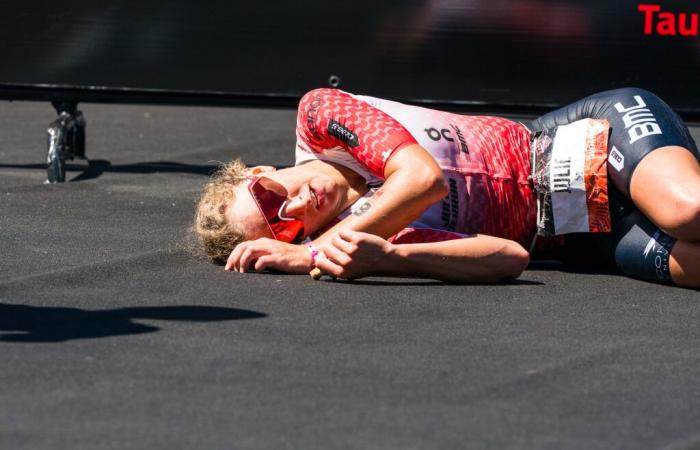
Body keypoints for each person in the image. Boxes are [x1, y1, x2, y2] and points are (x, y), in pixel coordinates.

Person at [193, 87, 700, 289]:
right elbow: (509, 258)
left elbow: (422, 181)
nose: (298, 203)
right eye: (286, 226)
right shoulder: (359, 239)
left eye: (271, 195)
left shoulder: (319, 117)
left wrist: (310, 257)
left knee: (686, 211)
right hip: (580, 233)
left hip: (588, 138)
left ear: (261, 170)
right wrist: (390, 259)